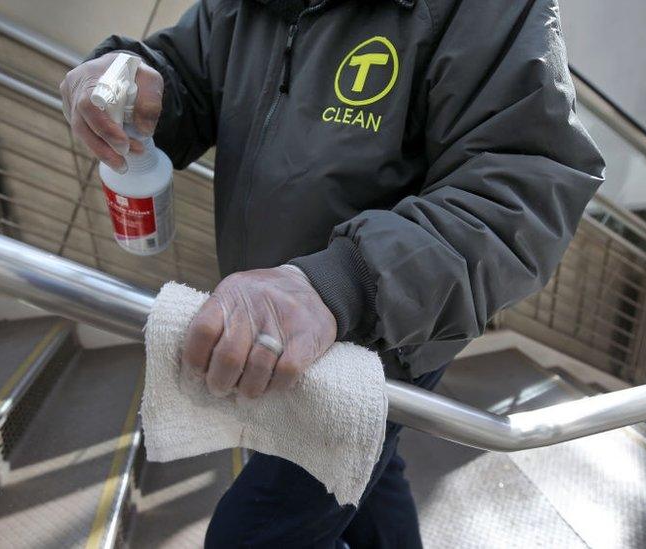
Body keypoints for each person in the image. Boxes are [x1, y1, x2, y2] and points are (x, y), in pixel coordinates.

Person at [61, 0, 604, 546]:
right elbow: (185, 74)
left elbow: (524, 189)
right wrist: (130, 79)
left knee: (253, 536)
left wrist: (342, 282)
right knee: (367, 469)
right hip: (278, 322)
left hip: (388, 328)